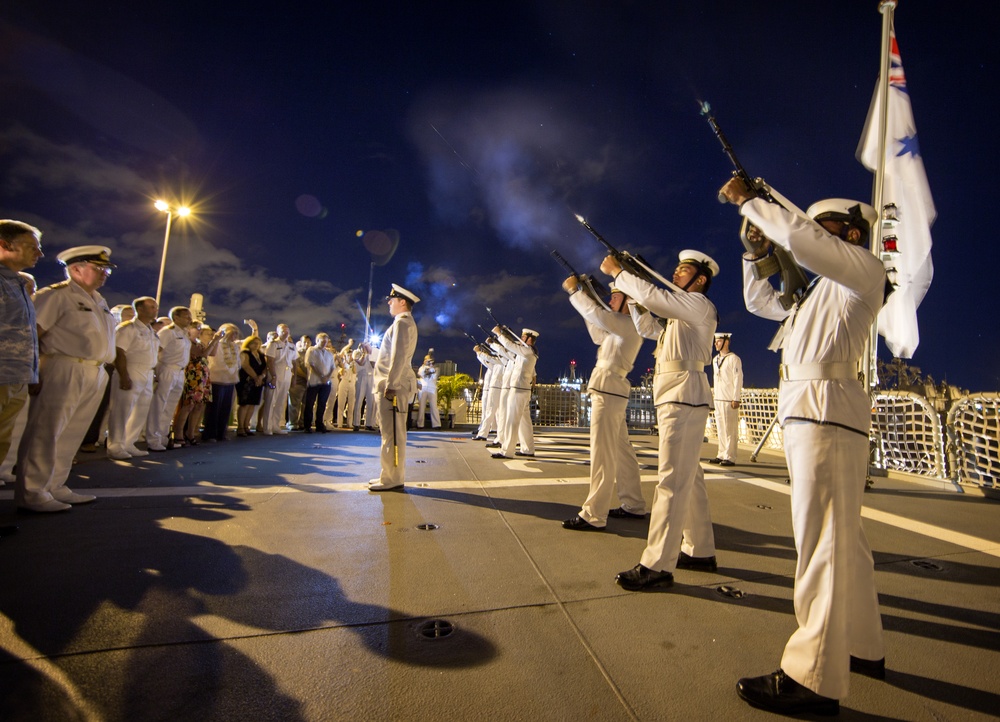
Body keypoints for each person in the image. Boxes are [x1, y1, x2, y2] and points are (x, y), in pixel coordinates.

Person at [720, 178, 886, 715]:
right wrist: (756, 252)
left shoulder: (863, 270)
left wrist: (754, 203)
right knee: (845, 541)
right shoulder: (817, 292)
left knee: (821, 542)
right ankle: (864, 647)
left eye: (827, 227)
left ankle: (813, 675)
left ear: (853, 233)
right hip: (812, 412)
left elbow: (807, 243)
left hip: (826, 412)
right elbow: (757, 302)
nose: (815, 235)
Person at [599, 249, 719, 590]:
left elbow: (658, 299)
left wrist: (622, 275)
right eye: (676, 268)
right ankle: (699, 550)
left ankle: (657, 565)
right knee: (689, 476)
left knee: (671, 480)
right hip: (679, 395)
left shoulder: (698, 305)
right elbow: (648, 326)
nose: (676, 273)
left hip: (683, 395)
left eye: (684, 270)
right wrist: (636, 298)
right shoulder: (681, 314)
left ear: (700, 280)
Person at [15, 245, 117, 512]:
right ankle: (33, 492)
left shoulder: (99, 300)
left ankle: (55, 485)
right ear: (76, 268)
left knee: (72, 432)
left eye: (106, 269)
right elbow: (32, 333)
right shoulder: (56, 295)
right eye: (98, 268)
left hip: (94, 370)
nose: (105, 273)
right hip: (63, 367)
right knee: (46, 432)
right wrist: (32, 371)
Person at [561, 278, 646, 531]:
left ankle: (593, 514)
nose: (610, 300)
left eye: (615, 297)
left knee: (602, 455)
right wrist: (587, 297)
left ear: (628, 301)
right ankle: (634, 504)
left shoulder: (626, 323)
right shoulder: (622, 326)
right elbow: (597, 332)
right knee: (622, 451)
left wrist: (577, 291)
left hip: (608, 390)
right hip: (612, 390)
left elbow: (594, 312)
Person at [0, 221, 43, 531]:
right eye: (31, 246)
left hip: (14, 376)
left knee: (1, 444)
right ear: (6, 244)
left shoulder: (17, 283)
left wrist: (31, 372)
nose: (38, 253)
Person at [368, 284, 420, 491]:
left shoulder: (402, 323)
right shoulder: (401, 324)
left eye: (392, 299)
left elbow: (398, 357)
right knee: (388, 432)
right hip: (392, 384)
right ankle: (388, 474)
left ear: (402, 302)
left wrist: (391, 385)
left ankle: (393, 478)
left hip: (393, 387)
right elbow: (389, 355)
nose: (389, 302)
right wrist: (372, 351)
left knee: (393, 435)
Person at [106, 297, 160, 460]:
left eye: (156, 307)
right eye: (151, 307)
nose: (155, 309)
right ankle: (115, 445)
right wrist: (124, 375)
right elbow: (119, 351)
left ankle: (129, 442)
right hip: (131, 369)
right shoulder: (127, 328)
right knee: (122, 409)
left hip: (147, 372)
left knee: (140, 410)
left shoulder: (151, 331)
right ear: (140, 309)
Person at [146, 306, 193, 451]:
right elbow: (157, 350)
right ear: (176, 318)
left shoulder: (185, 334)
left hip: (180, 371)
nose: (189, 320)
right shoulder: (167, 333)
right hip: (167, 368)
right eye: (186, 317)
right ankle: (153, 438)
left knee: (170, 406)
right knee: (159, 404)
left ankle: (163, 437)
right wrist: (154, 370)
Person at [491, 326, 538, 460]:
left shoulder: (527, 351)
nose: (521, 339)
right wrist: (502, 338)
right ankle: (528, 449)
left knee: (511, 421)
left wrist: (499, 334)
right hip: (522, 390)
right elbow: (508, 351)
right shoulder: (525, 352)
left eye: (523, 337)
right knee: (525, 422)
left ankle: (507, 451)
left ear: (529, 339)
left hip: (518, 390)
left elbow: (509, 345)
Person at [173, 324, 223, 446]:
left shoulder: (201, 344)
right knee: (188, 405)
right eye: (207, 333)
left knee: (199, 406)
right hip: (193, 376)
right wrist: (215, 340)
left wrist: (216, 341)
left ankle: (191, 433)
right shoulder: (190, 344)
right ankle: (178, 433)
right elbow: (203, 354)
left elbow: (212, 353)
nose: (211, 335)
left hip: (203, 376)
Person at [202, 322, 241, 442]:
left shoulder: (235, 346)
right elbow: (213, 360)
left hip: (230, 380)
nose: (234, 336)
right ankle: (210, 434)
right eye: (231, 333)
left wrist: (233, 370)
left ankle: (221, 433)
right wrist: (226, 369)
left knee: (225, 408)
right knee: (214, 408)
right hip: (217, 379)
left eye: (235, 334)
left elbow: (238, 362)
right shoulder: (216, 344)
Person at [710, 332, 743, 466]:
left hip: (729, 399)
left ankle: (730, 456)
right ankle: (721, 453)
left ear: (726, 342)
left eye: (718, 341)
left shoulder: (734, 359)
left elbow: (738, 379)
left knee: (730, 429)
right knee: (721, 428)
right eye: (716, 341)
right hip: (718, 398)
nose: (716, 344)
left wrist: (736, 398)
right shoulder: (715, 359)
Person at [261, 323, 298, 435]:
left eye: (287, 331)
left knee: (281, 401)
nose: (286, 333)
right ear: (278, 332)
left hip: (287, 374)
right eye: (283, 331)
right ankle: (267, 427)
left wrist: (294, 377)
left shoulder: (292, 345)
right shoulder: (273, 344)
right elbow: (270, 361)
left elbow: (295, 362)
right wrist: (273, 376)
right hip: (276, 372)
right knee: (271, 400)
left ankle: (276, 426)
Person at [235, 335, 268, 436]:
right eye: (254, 343)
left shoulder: (261, 355)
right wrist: (255, 377)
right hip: (246, 381)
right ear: (248, 343)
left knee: (252, 404)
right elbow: (245, 366)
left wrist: (261, 376)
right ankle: (240, 427)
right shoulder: (245, 353)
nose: (256, 345)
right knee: (245, 403)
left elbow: (265, 367)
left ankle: (246, 426)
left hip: (258, 381)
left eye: (258, 343)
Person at [303, 333, 335, 433]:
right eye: (322, 341)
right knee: (310, 403)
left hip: (326, 383)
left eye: (326, 341)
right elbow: (310, 364)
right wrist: (321, 375)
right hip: (314, 381)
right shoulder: (312, 350)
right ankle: (307, 425)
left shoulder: (329, 353)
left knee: (322, 404)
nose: (324, 343)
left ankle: (319, 425)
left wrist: (327, 377)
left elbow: (332, 367)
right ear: (317, 341)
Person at [288, 334, 312, 430]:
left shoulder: (312, 353)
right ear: (301, 343)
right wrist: (307, 376)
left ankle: (302, 422)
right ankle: (292, 423)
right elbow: (296, 368)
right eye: (304, 342)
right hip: (298, 381)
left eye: (308, 342)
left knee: (306, 404)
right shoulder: (297, 352)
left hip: (309, 383)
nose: (306, 344)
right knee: (294, 403)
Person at [352, 341, 376, 431]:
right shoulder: (357, 353)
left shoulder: (372, 354)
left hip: (371, 377)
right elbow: (360, 363)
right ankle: (356, 423)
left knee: (371, 400)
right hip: (361, 376)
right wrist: (365, 353)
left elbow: (374, 365)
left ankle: (369, 423)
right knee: (359, 400)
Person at [335, 339, 357, 428]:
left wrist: (353, 363)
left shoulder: (355, 363)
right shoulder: (342, 363)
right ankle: (339, 423)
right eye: (348, 354)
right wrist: (349, 344)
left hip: (352, 384)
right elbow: (341, 373)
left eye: (351, 354)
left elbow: (355, 372)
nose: (350, 356)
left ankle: (349, 423)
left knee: (351, 404)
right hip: (343, 382)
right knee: (341, 403)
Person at [416, 352, 441, 429]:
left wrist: (431, 367)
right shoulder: (421, 368)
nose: (428, 361)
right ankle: (420, 424)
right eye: (427, 360)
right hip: (423, 388)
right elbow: (421, 374)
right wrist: (426, 367)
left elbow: (434, 377)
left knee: (434, 406)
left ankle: (436, 424)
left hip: (432, 388)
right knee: (421, 406)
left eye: (430, 360)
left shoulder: (436, 368)